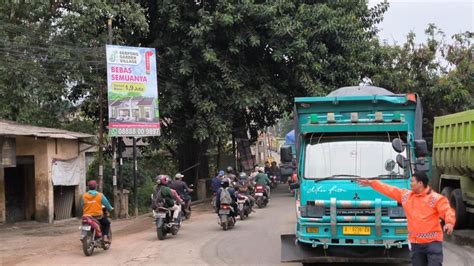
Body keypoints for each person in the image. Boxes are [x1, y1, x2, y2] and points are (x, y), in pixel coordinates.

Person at [356, 171, 455, 266]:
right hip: (416, 244)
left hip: (433, 243)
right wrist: (372, 183)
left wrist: (449, 223)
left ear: (420, 183)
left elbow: (447, 210)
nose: (410, 183)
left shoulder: (435, 198)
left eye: (412, 181)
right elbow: (389, 189)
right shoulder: (406, 196)